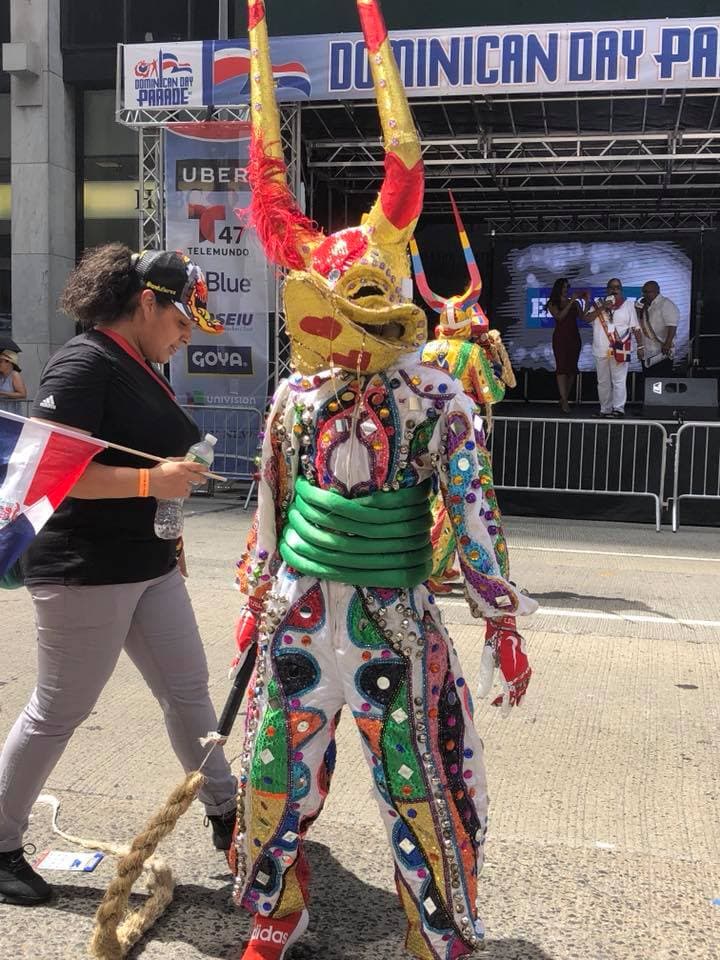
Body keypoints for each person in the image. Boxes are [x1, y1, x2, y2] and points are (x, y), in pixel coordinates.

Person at [229, 3, 537, 959]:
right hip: (299, 612)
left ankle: (435, 928)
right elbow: (271, 504)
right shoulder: (293, 396)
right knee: (276, 770)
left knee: (419, 777)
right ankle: (278, 909)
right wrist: (254, 598)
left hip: (394, 616)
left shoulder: (437, 394)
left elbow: (469, 506)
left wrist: (499, 612)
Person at [0, 245, 237, 907]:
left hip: (147, 563)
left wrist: (169, 507)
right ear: (146, 302)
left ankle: (228, 812)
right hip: (85, 569)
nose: (187, 332)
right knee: (58, 710)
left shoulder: (138, 364)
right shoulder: (86, 362)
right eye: (182, 317)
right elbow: (48, 473)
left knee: (189, 693)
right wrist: (150, 480)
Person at [412, 195, 514, 594]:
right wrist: (495, 357)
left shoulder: (426, 351)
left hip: (425, 432)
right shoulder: (471, 352)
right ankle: (482, 571)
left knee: (438, 499)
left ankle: (441, 565)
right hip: (465, 434)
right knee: (473, 499)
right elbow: (495, 393)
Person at [585, 278, 644, 418]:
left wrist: (640, 346)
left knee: (619, 380)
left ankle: (618, 409)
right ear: (607, 290)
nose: (614, 289)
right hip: (600, 348)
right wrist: (603, 308)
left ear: (621, 290)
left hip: (620, 347)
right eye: (611, 287)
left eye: (617, 287)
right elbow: (587, 319)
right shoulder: (598, 304)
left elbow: (635, 328)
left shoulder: (628, 305)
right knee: (603, 381)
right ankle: (605, 409)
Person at [545, 279, 585, 414]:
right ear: (558, 288)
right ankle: (565, 400)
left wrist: (584, 301)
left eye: (567, 287)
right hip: (561, 338)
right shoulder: (553, 303)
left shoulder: (572, 301)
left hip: (574, 338)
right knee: (561, 368)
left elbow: (583, 317)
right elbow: (559, 317)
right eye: (563, 287)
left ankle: (564, 398)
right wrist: (570, 302)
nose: (565, 289)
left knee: (572, 369)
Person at [635, 280, 679, 378]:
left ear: (657, 291)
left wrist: (667, 344)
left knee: (661, 383)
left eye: (649, 292)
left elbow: (672, 326)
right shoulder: (643, 305)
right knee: (648, 383)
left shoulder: (666, 304)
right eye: (644, 292)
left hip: (662, 352)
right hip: (647, 352)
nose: (646, 294)